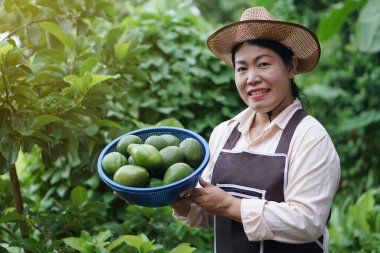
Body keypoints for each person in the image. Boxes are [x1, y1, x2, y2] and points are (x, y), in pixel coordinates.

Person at [171, 6, 340, 253]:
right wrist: (173, 199)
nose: (251, 78)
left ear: (291, 67)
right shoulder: (224, 133)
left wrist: (231, 205)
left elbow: (308, 222)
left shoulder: (310, 137)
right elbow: (209, 216)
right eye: (241, 68)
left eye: (263, 64)